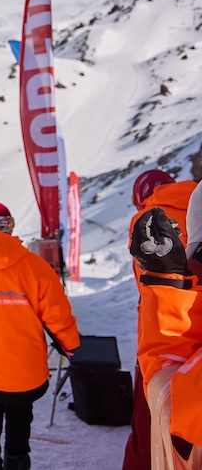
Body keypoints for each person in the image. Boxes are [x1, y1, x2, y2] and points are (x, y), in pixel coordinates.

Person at [0, 198, 80, 470]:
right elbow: (58, 316)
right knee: (19, 419)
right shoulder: (34, 266)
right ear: (7, 226)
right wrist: (71, 345)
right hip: (24, 371)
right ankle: (16, 463)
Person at [124, 170, 197, 470]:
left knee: (151, 420)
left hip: (168, 325)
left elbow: (147, 284)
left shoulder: (144, 219)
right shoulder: (197, 202)